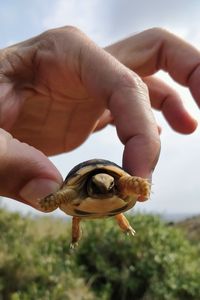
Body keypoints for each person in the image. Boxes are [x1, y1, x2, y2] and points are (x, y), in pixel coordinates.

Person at [0, 27, 198, 211]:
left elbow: (130, 183)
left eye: (109, 185)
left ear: (114, 182)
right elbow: (67, 193)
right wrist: (51, 199)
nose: (104, 189)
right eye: (99, 186)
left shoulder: (119, 185)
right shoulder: (75, 190)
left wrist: (140, 185)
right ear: (90, 183)